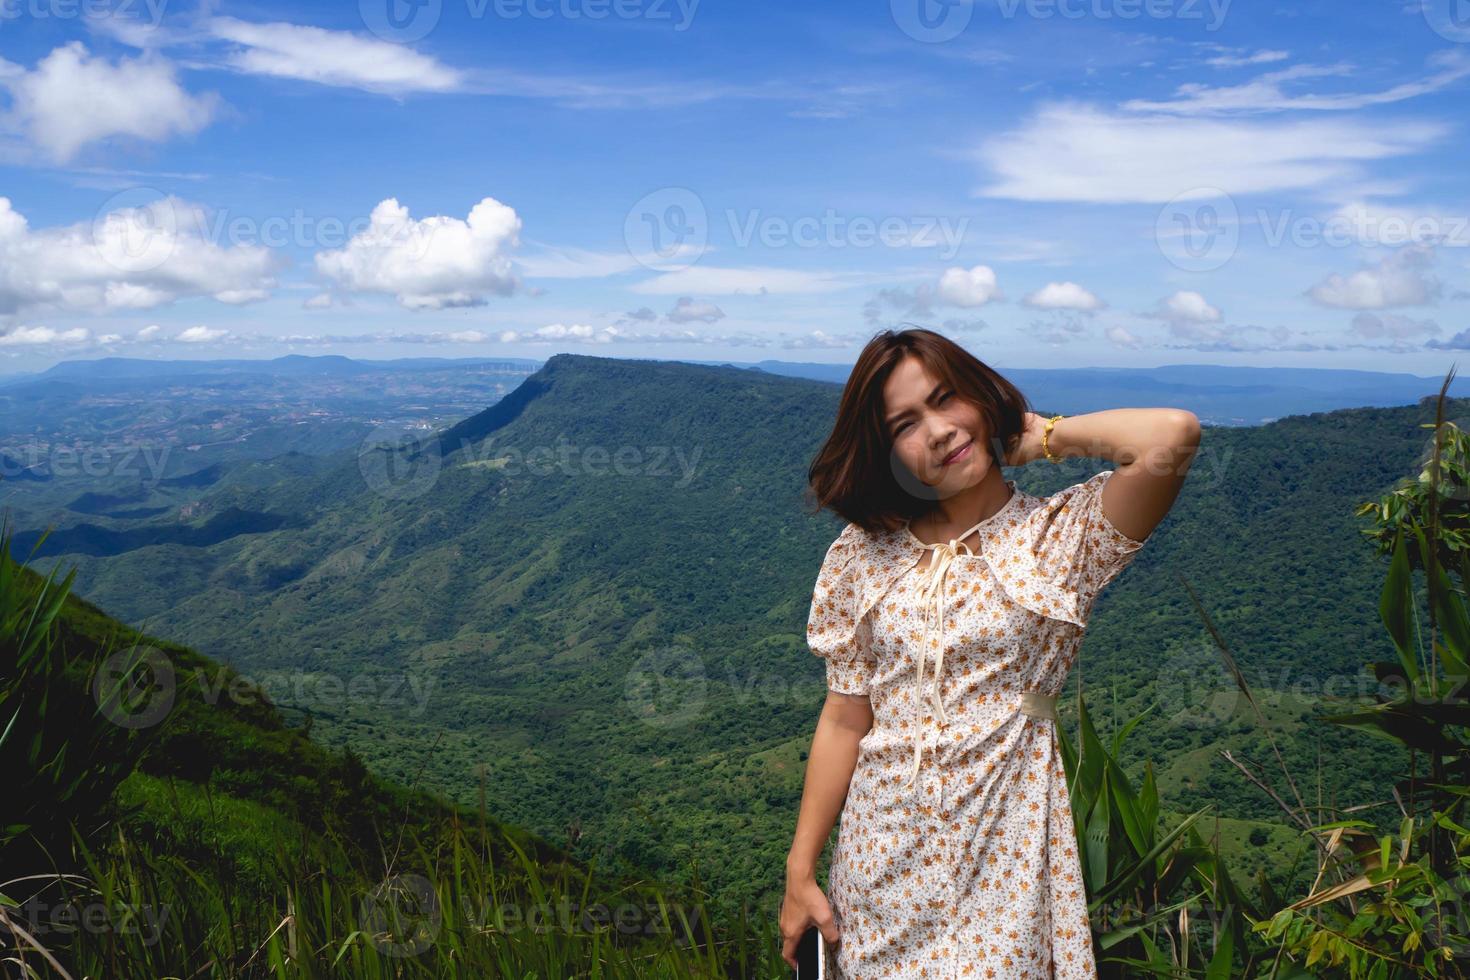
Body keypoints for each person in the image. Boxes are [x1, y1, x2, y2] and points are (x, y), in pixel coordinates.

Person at [780, 328, 1198, 978]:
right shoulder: (861, 554)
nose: (940, 430)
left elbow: (1170, 438)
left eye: (948, 399)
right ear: (885, 451)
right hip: (877, 866)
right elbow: (845, 718)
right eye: (907, 424)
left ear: (981, 397)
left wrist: (1045, 438)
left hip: (1004, 862)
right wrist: (799, 870)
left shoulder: (1058, 539)